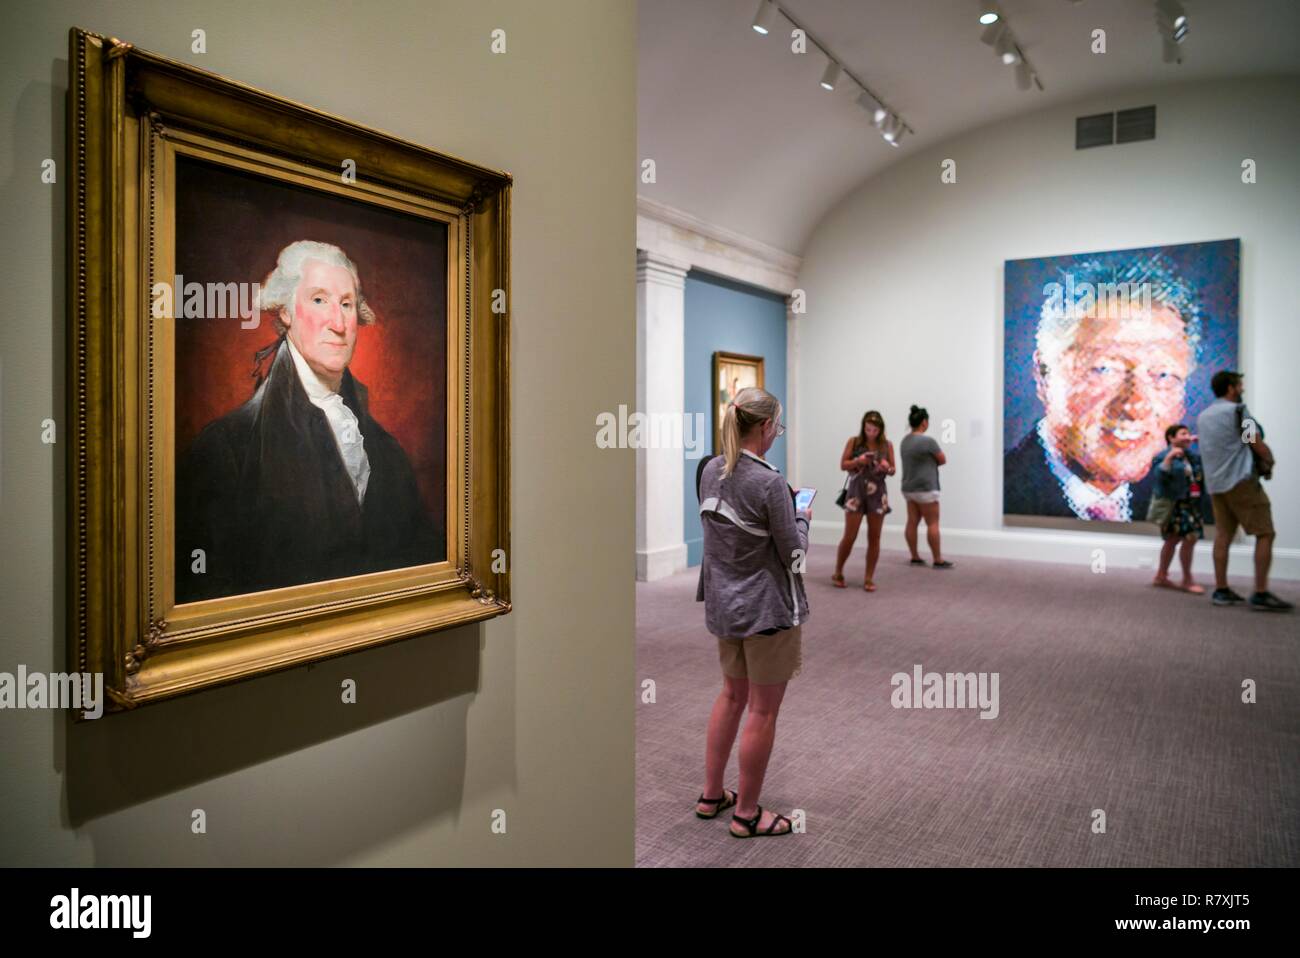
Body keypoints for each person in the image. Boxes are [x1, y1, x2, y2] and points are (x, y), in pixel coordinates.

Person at [176, 240, 443, 603]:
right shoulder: (226, 448)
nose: (338, 323)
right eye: (319, 300)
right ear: (286, 311)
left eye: (346, 304)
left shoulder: (387, 452)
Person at [694, 386, 810, 838]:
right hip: (766, 612)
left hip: (725, 607)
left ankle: (710, 795)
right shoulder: (770, 482)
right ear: (764, 427)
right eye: (776, 427)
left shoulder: (709, 471)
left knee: (730, 697)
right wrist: (801, 516)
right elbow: (794, 557)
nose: (777, 434)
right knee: (762, 712)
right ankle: (746, 814)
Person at [1004, 257, 1201, 522]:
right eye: (1104, 369)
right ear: (1043, 375)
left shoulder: (1198, 496)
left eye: (1163, 375)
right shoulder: (1002, 489)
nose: (1135, 405)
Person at [1195, 371, 1292, 611]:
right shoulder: (1239, 412)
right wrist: (1269, 459)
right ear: (1231, 388)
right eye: (1239, 385)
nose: (1242, 389)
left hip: (1216, 485)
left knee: (1223, 535)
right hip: (1241, 483)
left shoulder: (1204, 416)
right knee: (1265, 533)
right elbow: (1255, 442)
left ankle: (1221, 589)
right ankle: (1260, 592)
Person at [832, 411, 894, 591]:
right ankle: (838, 571)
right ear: (863, 427)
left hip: (878, 493)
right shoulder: (854, 442)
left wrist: (886, 467)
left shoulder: (886, 445)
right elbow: (843, 465)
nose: (871, 432)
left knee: (874, 538)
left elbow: (893, 470)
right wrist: (858, 460)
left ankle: (869, 578)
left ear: (880, 429)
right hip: (856, 492)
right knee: (850, 536)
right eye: (868, 429)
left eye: (875, 429)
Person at [1149, 424, 1205, 594]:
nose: (1187, 436)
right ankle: (1185, 579)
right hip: (1175, 505)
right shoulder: (1163, 456)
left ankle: (1162, 575)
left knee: (1186, 539)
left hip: (1190, 504)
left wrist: (1201, 443)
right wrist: (1169, 458)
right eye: (1183, 434)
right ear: (1171, 438)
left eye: (1188, 433)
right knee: (1177, 539)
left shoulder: (1191, 456)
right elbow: (1159, 477)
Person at [900, 405, 952, 569]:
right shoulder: (928, 441)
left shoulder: (905, 441)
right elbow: (942, 459)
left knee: (912, 521)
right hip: (926, 488)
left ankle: (914, 556)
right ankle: (937, 559)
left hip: (909, 487)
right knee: (932, 523)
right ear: (924, 422)